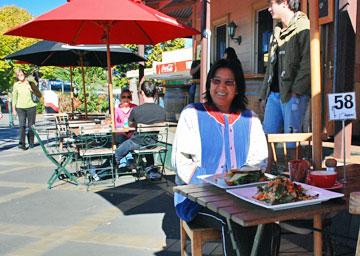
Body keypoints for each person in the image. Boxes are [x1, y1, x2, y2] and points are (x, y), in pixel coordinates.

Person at [172, 59, 272, 255]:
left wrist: (237, 184)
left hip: (243, 196)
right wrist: (214, 186)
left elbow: (258, 162)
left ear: (237, 88)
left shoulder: (250, 118)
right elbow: (182, 163)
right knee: (234, 218)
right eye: (216, 81)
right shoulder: (192, 113)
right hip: (197, 200)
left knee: (267, 220)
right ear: (209, 84)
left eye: (229, 82)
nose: (221, 87)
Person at [258, 0, 310, 170]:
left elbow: (308, 62)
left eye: (271, 3)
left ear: (285, 3)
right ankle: (269, 171)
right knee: (267, 133)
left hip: (293, 93)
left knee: (292, 139)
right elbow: (270, 68)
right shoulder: (276, 31)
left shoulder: (304, 26)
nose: (268, 8)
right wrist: (263, 94)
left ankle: (294, 175)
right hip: (273, 94)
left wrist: (297, 90)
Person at [114, 81, 166, 172]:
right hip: (153, 142)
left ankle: (113, 168)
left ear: (142, 93)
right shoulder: (162, 111)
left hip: (138, 143)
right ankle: (150, 169)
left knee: (119, 151)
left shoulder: (136, 110)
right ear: (154, 93)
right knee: (145, 142)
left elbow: (129, 125)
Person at [12, 68, 42, 150]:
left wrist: (31, 90)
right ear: (17, 77)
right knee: (22, 126)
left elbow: (39, 95)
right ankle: (22, 144)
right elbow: (14, 98)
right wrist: (14, 109)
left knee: (31, 126)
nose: (20, 76)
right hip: (20, 108)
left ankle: (31, 142)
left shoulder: (31, 83)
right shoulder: (16, 85)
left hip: (31, 107)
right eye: (18, 75)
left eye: (21, 74)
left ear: (24, 74)